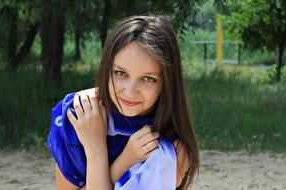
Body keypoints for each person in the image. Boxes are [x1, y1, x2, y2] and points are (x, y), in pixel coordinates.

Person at [48, 15, 199, 190]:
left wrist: (100, 154)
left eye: (148, 79)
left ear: (167, 83)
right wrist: (115, 158)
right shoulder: (81, 116)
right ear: (106, 69)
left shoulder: (173, 151)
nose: (130, 91)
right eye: (121, 73)